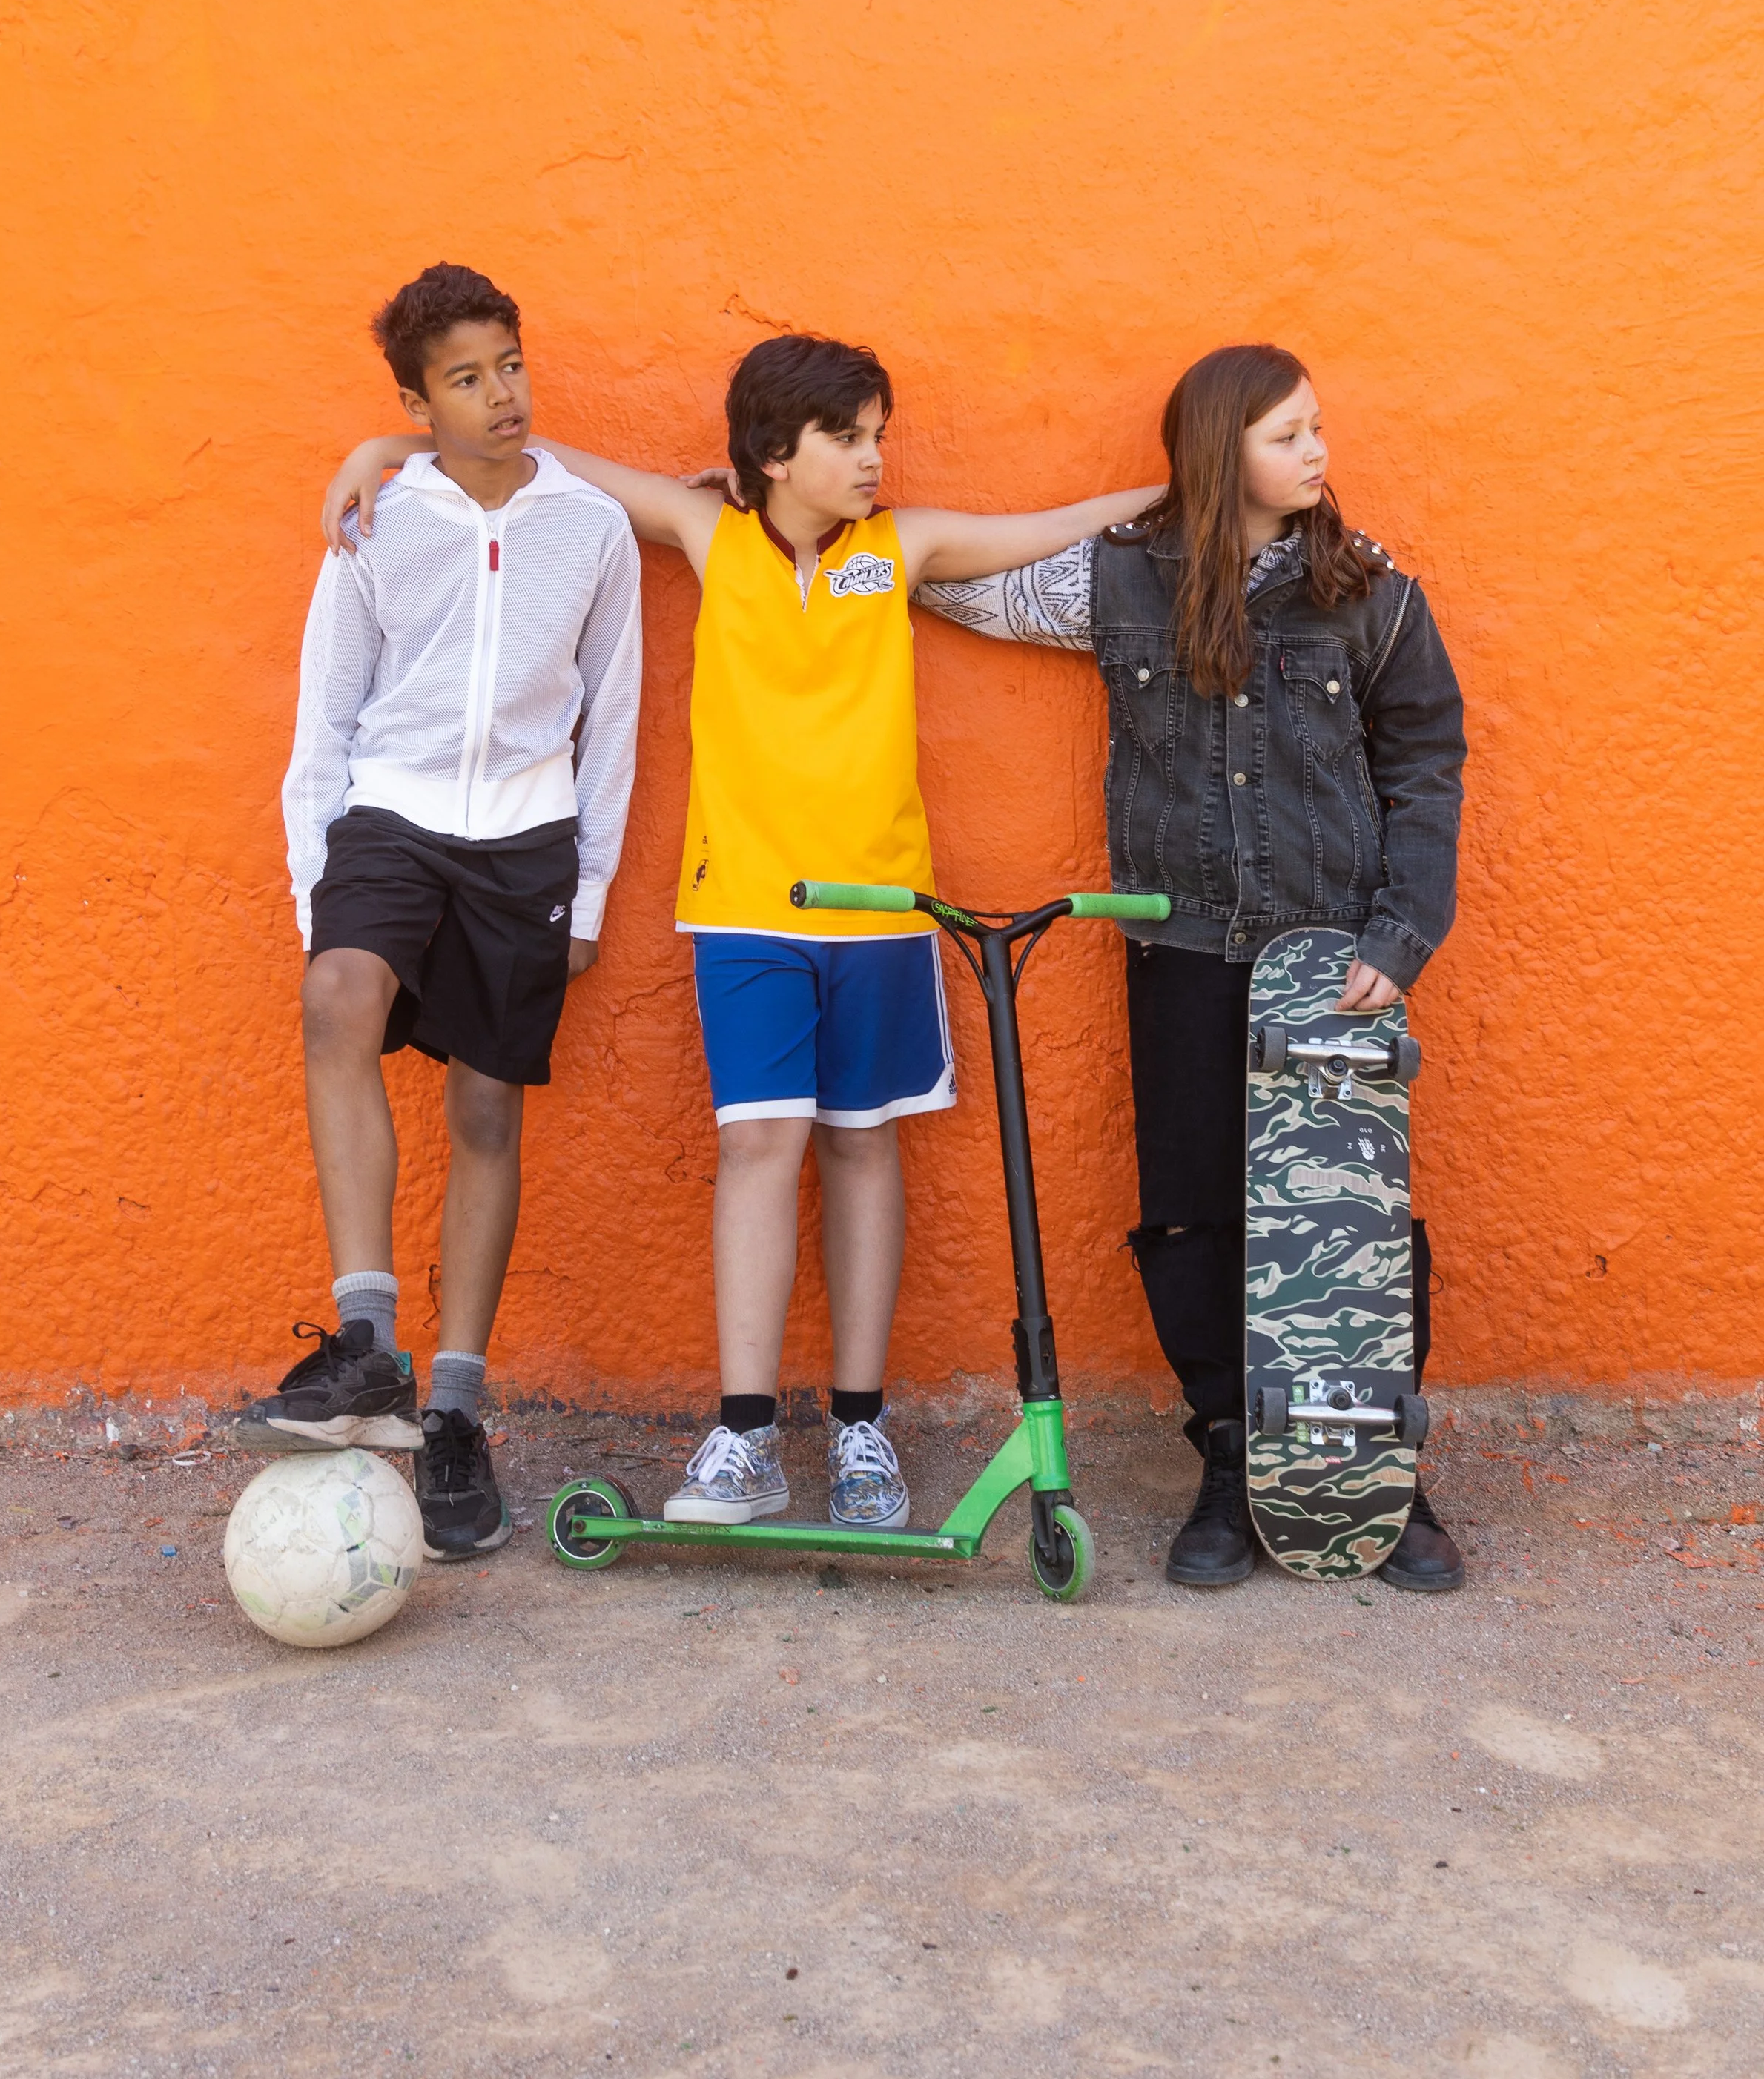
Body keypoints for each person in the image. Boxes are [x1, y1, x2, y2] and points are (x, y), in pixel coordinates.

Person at [323, 334, 1157, 1533]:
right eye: (850, 438)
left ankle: (863, 1432)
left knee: (865, 1149)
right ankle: (748, 1437)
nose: (875, 459)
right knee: (761, 1146)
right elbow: (538, 450)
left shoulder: (901, 548)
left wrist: (1183, 493)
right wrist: (384, 446)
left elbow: (1054, 526)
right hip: (745, 911)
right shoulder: (710, 535)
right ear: (775, 454)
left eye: (880, 436)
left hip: (886, 910)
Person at [917, 344, 1468, 1592]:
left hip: (1332, 963)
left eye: (1318, 427)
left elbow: (1428, 768)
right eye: (1288, 435)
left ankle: (1377, 1472)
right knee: (1196, 1209)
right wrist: (798, 516)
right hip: (1181, 949)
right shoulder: (1118, 584)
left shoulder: (1369, 593)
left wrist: (1398, 940)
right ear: (1223, 454)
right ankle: (1229, 1455)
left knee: (1351, 1225)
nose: (1318, 453)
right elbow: (943, 578)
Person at [243, 263, 642, 1565]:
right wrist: (320, 885)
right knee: (335, 997)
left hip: (524, 839)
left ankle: (457, 1413)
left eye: (512, 366)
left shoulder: (589, 527)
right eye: (467, 379)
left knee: (485, 1107)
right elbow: (327, 715)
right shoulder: (379, 520)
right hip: (392, 816)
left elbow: (614, 715)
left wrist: (585, 884)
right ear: (417, 402)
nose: (502, 394)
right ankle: (367, 1344)